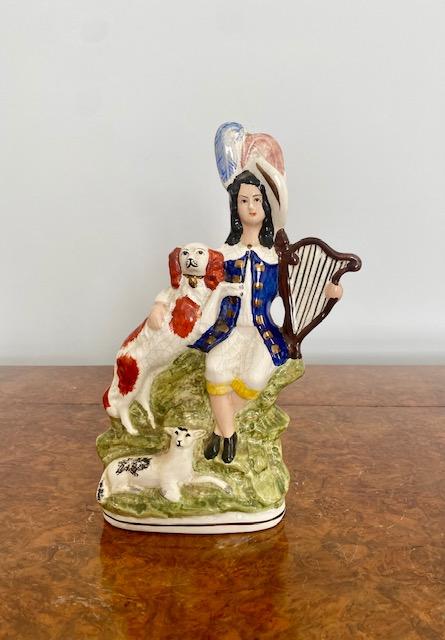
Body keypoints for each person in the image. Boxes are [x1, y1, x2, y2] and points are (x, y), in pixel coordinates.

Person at [191, 170, 289, 463]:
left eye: (257, 199)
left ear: (266, 206)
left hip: (261, 332)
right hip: (228, 329)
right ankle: (230, 435)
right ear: (235, 208)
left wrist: (330, 292)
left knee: (255, 380)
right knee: (215, 370)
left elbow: (294, 292)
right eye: (244, 201)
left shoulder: (275, 257)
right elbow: (199, 290)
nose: (251, 206)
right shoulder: (223, 254)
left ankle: (220, 430)